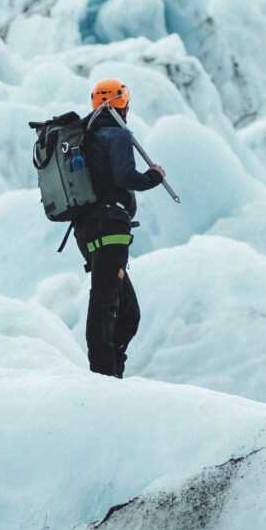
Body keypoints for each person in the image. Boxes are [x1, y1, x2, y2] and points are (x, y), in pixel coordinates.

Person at [70, 78, 165, 378]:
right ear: (124, 104)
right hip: (111, 228)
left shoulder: (83, 138)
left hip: (86, 231)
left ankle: (112, 372)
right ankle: (104, 380)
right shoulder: (118, 136)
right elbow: (125, 177)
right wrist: (153, 177)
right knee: (105, 301)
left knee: (126, 313)